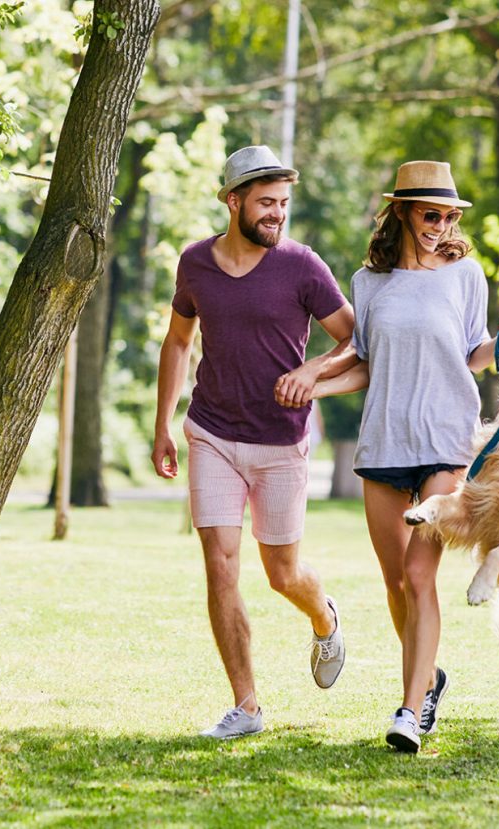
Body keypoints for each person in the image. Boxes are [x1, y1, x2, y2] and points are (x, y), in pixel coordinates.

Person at [279, 160, 499, 752]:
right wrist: (315, 383)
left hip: (445, 440)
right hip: (385, 439)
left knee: (419, 574)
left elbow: (471, 353)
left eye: (448, 216)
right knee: (394, 580)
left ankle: (410, 711)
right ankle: (429, 677)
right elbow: (363, 363)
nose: (440, 225)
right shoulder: (369, 282)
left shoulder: (465, 275)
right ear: (404, 214)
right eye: (430, 214)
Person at [152, 145, 357, 739]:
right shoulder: (195, 263)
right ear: (233, 201)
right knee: (220, 567)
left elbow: (352, 340)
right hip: (211, 431)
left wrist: (312, 372)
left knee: (283, 573)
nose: (277, 215)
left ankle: (324, 617)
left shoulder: (302, 267)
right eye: (266, 204)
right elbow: (176, 341)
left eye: (284, 205)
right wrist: (163, 423)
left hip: (280, 440)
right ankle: (246, 705)